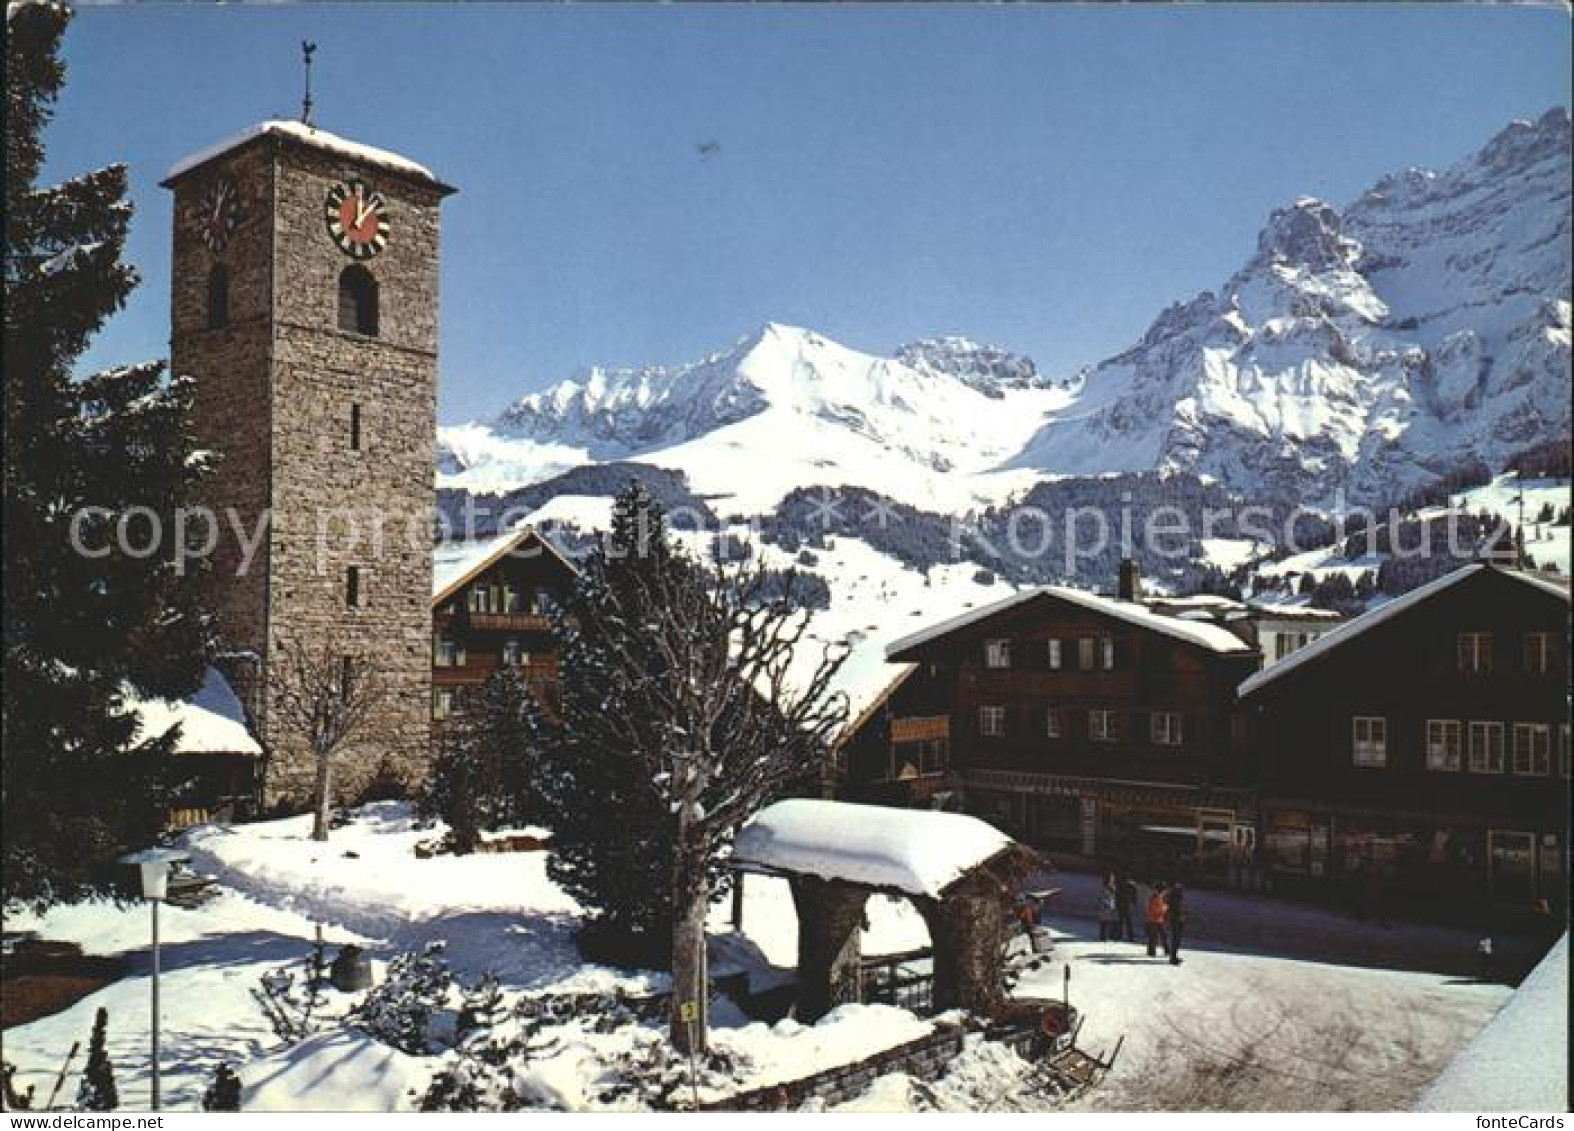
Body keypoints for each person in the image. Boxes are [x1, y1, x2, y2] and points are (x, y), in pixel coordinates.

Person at [1145, 881, 1168, 958]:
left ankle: (1166, 951)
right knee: (1154, 937)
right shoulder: (1154, 898)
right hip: (1154, 920)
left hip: (1159, 920)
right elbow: (1154, 909)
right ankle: (1151, 952)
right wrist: (1164, 909)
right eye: (1163, 891)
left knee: (1163, 936)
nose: (1164, 892)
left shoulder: (1159, 897)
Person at [1165, 881, 1186, 965]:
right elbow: (1178, 909)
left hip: (1176, 919)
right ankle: (1173, 958)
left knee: (1176, 939)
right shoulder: (1176, 898)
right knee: (1176, 939)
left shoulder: (1174, 897)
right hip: (1176, 919)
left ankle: (1173, 956)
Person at [1115, 870, 1137, 942]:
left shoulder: (1121, 884)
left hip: (1122, 904)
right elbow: (1134, 895)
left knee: (1121, 921)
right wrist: (1134, 902)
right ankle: (1130, 936)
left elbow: (1117, 894)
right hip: (1128, 904)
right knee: (1129, 922)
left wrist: (1117, 903)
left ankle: (1119, 935)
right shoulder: (1133, 885)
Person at [1098, 872, 1119, 942]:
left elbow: (1113, 896)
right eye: (1112, 878)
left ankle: (1108, 936)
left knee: (1110, 922)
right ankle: (1103, 936)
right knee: (1104, 922)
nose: (1113, 879)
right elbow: (1103, 896)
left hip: (1111, 906)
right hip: (1106, 906)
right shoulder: (1105, 886)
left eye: (1113, 878)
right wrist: (1107, 903)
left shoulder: (1113, 886)